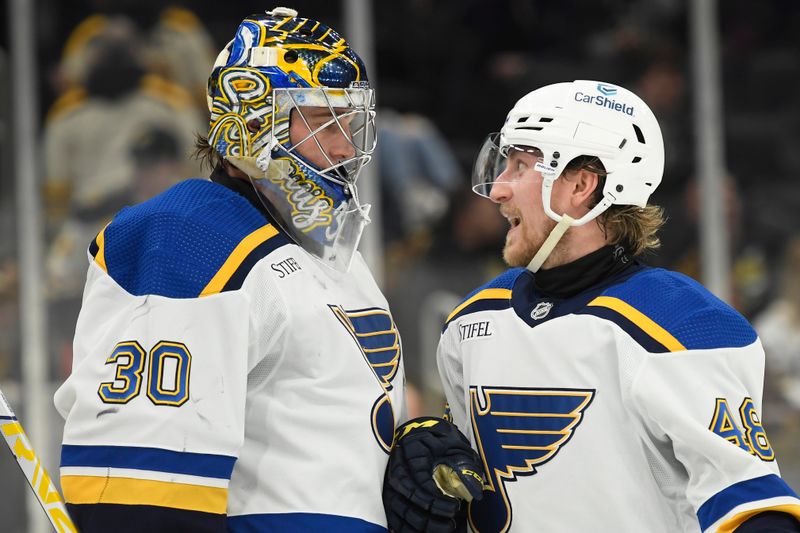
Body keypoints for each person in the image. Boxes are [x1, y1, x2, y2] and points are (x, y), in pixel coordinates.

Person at [384, 80, 800, 532]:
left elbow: (755, 512)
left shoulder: (686, 326)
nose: (499, 189)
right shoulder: (473, 319)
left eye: (520, 166)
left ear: (581, 185)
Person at [54, 7, 406, 532]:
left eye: (350, 123)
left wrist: (407, 455)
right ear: (252, 120)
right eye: (319, 119)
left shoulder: (338, 256)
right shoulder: (191, 237)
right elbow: (139, 494)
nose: (343, 146)